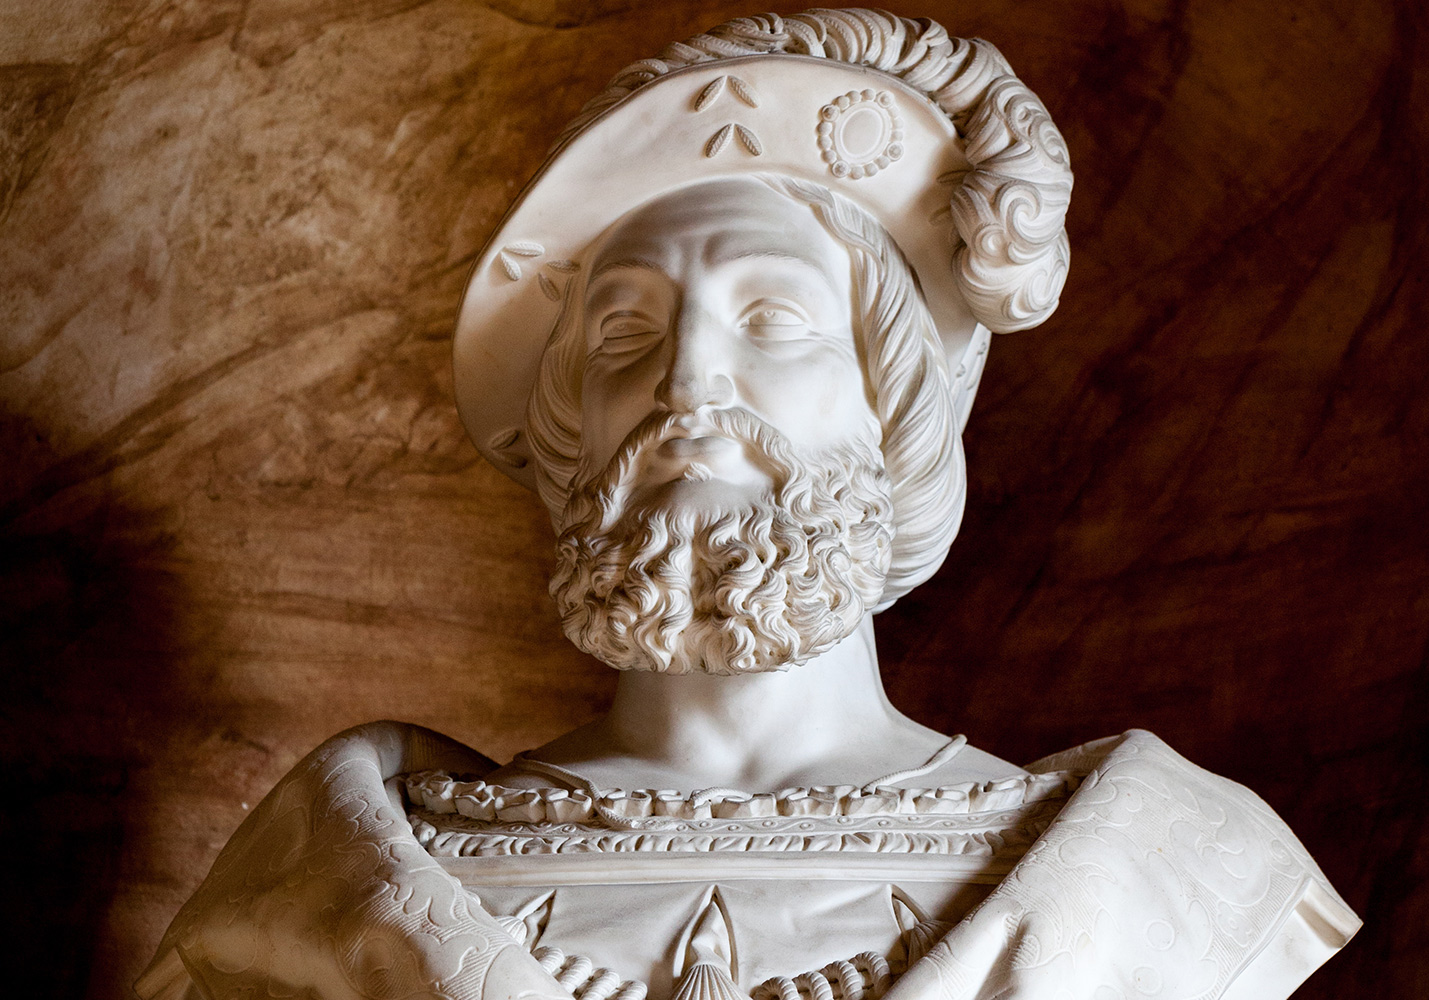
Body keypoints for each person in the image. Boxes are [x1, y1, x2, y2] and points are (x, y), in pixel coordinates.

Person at [138, 11, 1358, 1000]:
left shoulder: (1148, 885)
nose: (690, 387)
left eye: (772, 323)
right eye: (626, 334)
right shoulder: (335, 889)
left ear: (892, 416)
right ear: (572, 436)